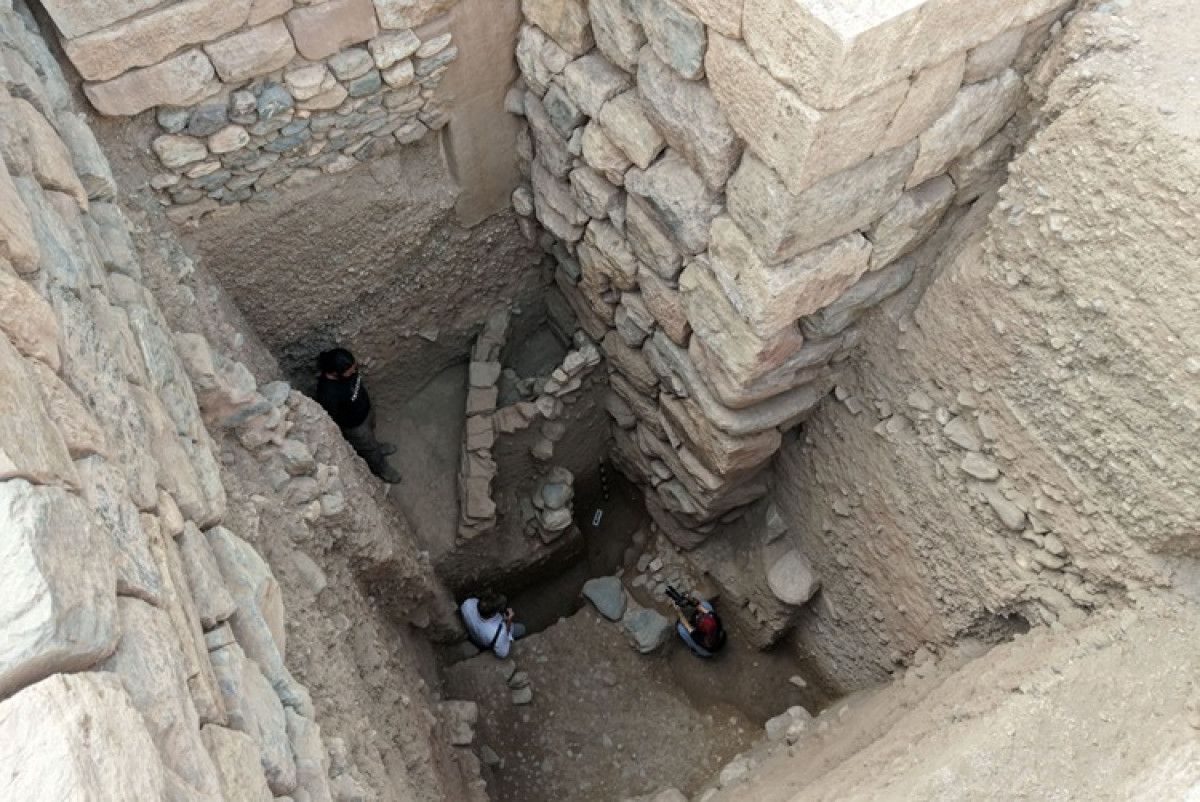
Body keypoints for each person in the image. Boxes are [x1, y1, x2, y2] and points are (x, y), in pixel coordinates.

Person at [314, 347, 401, 483]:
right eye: (350, 371)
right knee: (369, 449)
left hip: (366, 412)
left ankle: (376, 447)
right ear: (336, 373)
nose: (354, 372)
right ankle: (382, 469)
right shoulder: (328, 393)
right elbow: (333, 417)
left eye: (354, 368)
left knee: (371, 436)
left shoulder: (347, 372)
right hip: (356, 426)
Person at [460, 592, 525, 659]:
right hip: (488, 641)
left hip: (474, 636)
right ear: (492, 614)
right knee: (522, 628)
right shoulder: (499, 634)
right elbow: (503, 654)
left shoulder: (468, 603)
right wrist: (509, 620)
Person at [672, 590, 726, 658]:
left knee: (681, 628)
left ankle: (701, 653)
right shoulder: (714, 619)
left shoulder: (704, 640)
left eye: (700, 620)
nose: (699, 617)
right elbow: (700, 607)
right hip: (718, 638)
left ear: (701, 630)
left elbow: (687, 625)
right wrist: (690, 598)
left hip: (709, 650)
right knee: (705, 604)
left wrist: (678, 611)